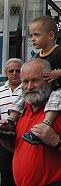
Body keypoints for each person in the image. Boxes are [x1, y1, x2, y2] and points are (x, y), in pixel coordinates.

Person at [0, 58, 61, 186]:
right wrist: (3, 137)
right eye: (25, 82)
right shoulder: (23, 111)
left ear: (49, 80)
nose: (29, 87)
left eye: (35, 80)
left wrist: (56, 140)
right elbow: (17, 147)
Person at [0, 16, 61, 146]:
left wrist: (58, 73)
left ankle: (45, 124)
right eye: (31, 35)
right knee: (22, 95)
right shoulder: (39, 56)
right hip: (48, 88)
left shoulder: (59, 52)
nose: (33, 39)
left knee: (56, 97)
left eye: (36, 35)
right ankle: (10, 121)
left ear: (50, 35)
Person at [0, 58, 22, 186]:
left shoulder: (27, 90)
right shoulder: (0, 91)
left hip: (22, 137)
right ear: (6, 73)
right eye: (11, 71)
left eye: (18, 71)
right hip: (4, 139)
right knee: (6, 173)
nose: (14, 73)